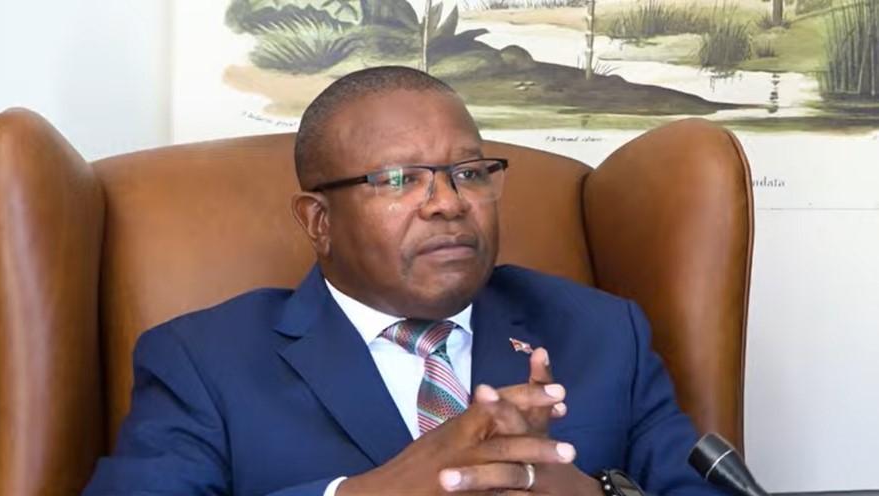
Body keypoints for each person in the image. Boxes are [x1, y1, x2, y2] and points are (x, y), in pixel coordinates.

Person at [83, 66, 722, 496]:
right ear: (319, 221)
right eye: (398, 180)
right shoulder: (203, 362)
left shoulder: (603, 334)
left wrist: (595, 494)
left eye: (470, 173)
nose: (448, 203)